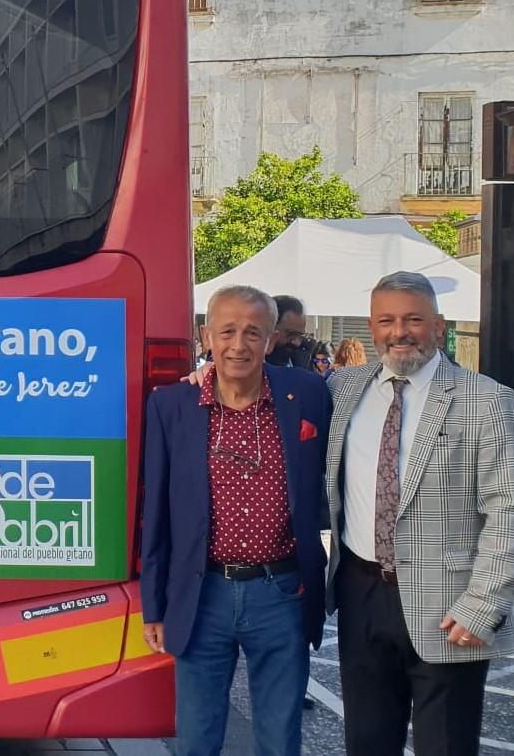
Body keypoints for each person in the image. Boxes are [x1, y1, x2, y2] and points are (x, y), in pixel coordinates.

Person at [325, 271, 514, 756]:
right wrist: (203, 376)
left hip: (450, 607)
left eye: (414, 319)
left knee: (447, 747)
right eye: (387, 320)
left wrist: (484, 605)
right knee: (367, 742)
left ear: (438, 327)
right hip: (361, 595)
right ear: (371, 328)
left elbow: (510, 510)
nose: (400, 332)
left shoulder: (488, 401)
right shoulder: (342, 390)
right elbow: (270, 395)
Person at [143, 285, 332, 756]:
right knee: (197, 739)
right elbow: (155, 512)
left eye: (253, 332)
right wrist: (154, 603)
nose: (238, 344)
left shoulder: (308, 394)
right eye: (227, 331)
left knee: (279, 737)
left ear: (270, 341)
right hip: (201, 593)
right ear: (207, 335)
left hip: (282, 593)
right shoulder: (172, 405)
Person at [266, 295, 310, 368]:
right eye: (291, 334)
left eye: (300, 336)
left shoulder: (306, 367)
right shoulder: (247, 368)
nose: (297, 343)